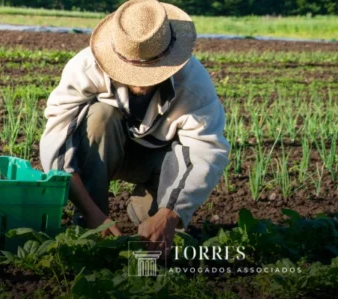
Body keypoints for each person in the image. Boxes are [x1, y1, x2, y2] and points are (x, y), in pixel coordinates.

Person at [39, 0, 229, 254]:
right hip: (104, 150)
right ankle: (90, 228)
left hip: (158, 160)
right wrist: (92, 213)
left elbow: (205, 151)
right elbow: (58, 141)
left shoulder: (194, 85)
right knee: (99, 117)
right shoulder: (85, 68)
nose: (139, 84)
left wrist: (170, 214)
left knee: (157, 232)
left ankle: (146, 209)